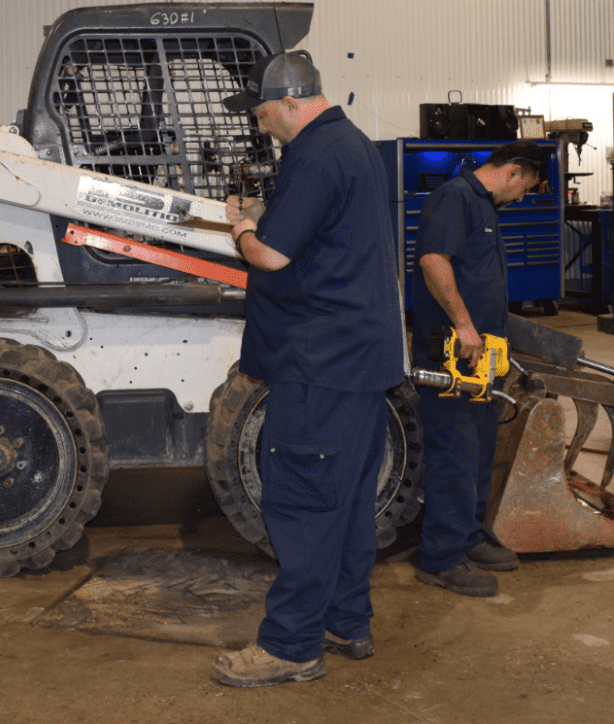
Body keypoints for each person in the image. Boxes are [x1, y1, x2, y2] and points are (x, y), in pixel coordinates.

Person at [210, 52, 406, 689]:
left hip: (320, 365)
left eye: (266, 115)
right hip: (360, 364)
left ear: (291, 103)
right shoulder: (353, 147)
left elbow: (268, 255)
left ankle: (290, 646)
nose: (264, 127)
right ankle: (347, 620)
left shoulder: (316, 156)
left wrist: (240, 227)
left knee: (301, 504)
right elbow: (320, 237)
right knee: (346, 503)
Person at [411, 141, 544, 597]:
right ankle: (442, 558)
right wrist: (464, 324)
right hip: (454, 351)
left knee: (479, 448)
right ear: (512, 171)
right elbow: (433, 260)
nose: (522, 197)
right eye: (524, 187)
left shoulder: (483, 207)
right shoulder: (455, 198)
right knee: (454, 452)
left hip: (482, 357)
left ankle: (469, 538)